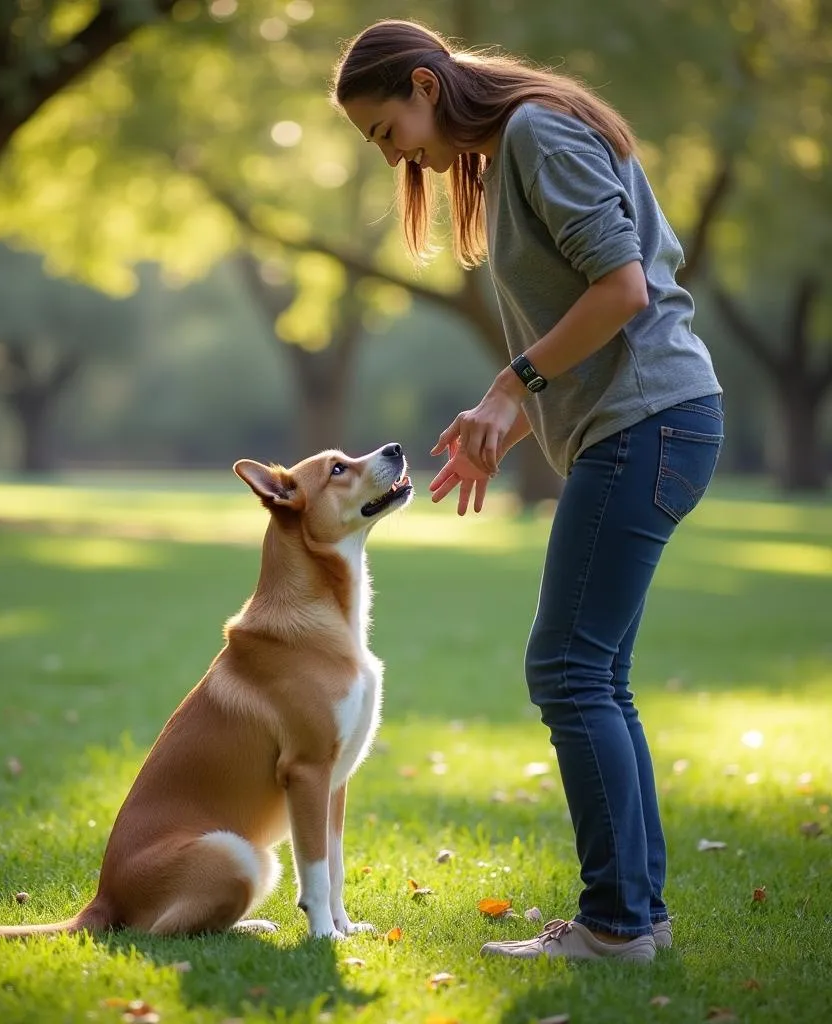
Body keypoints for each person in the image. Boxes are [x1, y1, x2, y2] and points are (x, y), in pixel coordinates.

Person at [332, 20, 724, 963]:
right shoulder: (506, 150)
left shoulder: (536, 132)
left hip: (650, 422)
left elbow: (622, 288)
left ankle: (616, 925)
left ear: (425, 86)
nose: (390, 157)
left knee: (568, 672)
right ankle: (636, 918)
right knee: (598, 676)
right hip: (645, 425)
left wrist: (511, 390)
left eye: (386, 132)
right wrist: (513, 423)